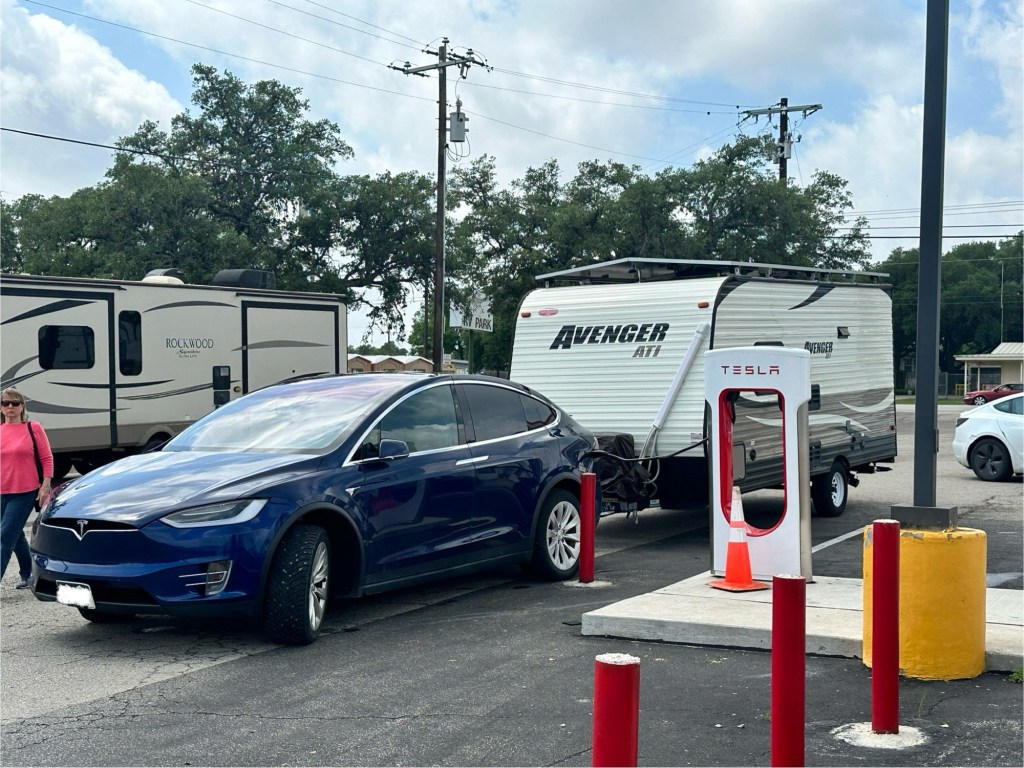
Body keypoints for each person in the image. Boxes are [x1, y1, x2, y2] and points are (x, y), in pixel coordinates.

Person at [0, 387, 53, 589]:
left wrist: (45, 485)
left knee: (4, 537)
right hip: (1, 491)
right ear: (1, 408)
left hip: (24, 492)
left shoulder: (33, 428)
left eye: (15, 403)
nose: (10, 407)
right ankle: (29, 572)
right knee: (15, 535)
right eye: (6, 403)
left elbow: (46, 458)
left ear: (22, 406)